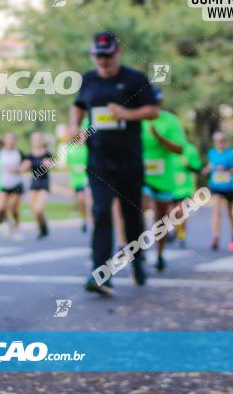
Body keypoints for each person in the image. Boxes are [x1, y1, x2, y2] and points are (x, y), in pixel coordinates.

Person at [71, 31, 159, 296]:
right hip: (98, 160)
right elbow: (78, 105)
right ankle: (101, 274)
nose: (103, 61)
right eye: (98, 56)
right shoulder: (88, 80)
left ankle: (138, 260)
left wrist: (127, 113)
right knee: (100, 212)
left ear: (118, 53)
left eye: (108, 56)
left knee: (132, 216)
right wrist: (74, 125)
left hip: (129, 160)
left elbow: (153, 110)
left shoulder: (135, 79)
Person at [140, 86, 186, 271]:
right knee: (140, 206)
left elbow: (179, 149)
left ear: (161, 102)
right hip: (142, 175)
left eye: (156, 102)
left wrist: (159, 138)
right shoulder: (139, 120)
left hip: (164, 176)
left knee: (161, 219)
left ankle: (159, 255)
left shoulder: (170, 120)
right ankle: (140, 249)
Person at [204, 131, 233, 252]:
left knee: (230, 213)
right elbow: (211, 165)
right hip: (216, 187)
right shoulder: (212, 153)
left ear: (225, 141)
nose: (219, 143)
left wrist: (226, 169)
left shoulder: (231, 153)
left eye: (221, 141)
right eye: (217, 141)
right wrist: (207, 169)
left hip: (229, 187)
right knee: (216, 211)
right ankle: (216, 238)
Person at [21, 132, 53, 240]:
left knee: (39, 208)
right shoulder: (29, 156)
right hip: (33, 184)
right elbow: (22, 168)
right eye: (34, 139)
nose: (37, 141)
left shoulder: (47, 154)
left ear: (42, 141)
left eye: (38, 139)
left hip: (44, 183)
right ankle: (42, 229)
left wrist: (49, 164)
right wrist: (24, 167)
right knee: (34, 210)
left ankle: (44, 228)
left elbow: (53, 164)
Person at [172, 140, 202, 248]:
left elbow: (197, 168)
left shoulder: (190, 149)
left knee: (181, 211)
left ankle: (181, 236)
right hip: (169, 186)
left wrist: (188, 165)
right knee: (171, 213)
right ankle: (175, 230)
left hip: (185, 188)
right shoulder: (167, 147)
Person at [0, 132, 25, 241]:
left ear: (15, 141)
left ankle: (17, 228)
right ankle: (6, 225)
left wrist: (17, 169)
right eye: (8, 139)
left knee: (14, 208)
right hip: (3, 185)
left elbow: (26, 165)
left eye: (12, 139)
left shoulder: (19, 153)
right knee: (1, 207)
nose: (10, 142)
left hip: (16, 185)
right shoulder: (0, 153)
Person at [65, 125, 91, 233]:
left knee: (89, 201)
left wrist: (86, 168)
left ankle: (91, 221)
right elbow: (68, 165)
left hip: (88, 178)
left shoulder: (88, 149)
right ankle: (84, 219)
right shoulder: (70, 148)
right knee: (80, 201)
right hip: (76, 179)